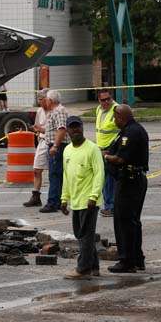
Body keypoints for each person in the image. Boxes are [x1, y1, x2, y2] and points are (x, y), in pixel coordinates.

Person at [103, 104, 150, 273]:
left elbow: (121, 159)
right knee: (132, 222)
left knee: (124, 222)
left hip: (130, 181)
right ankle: (137, 259)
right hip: (132, 180)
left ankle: (127, 261)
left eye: (115, 118)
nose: (114, 121)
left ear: (121, 117)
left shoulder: (131, 133)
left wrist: (107, 156)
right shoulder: (128, 130)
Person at [60, 116, 104, 280]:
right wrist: (64, 198)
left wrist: (94, 196)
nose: (76, 130)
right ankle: (94, 266)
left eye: (78, 126)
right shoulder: (67, 150)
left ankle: (83, 268)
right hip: (76, 201)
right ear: (68, 131)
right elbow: (66, 176)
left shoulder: (92, 149)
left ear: (83, 127)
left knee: (85, 235)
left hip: (89, 201)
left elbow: (100, 174)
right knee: (82, 234)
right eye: (72, 127)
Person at [40, 89, 69, 213]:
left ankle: (53, 203)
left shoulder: (59, 111)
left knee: (55, 175)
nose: (44, 101)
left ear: (50, 100)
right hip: (54, 145)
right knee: (57, 175)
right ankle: (57, 202)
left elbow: (61, 129)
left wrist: (55, 146)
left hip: (58, 147)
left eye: (45, 99)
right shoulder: (54, 111)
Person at [23, 89, 50, 207]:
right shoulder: (40, 111)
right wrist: (36, 130)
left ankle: (56, 197)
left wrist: (41, 129)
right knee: (37, 169)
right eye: (38, 99)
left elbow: (57, 130)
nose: (40, 102)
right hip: (42, 141)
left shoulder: (55, 111)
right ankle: (36, 196)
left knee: (55, 172)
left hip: (51, 141)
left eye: (41, 99)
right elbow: (37, 126)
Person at [95, 88, 119, 217]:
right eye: (103, 100)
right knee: (104, 179)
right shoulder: (99, 109)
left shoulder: (117, 110)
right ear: (99, 100)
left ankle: (111, 206)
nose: (106, 102)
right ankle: (109, 205)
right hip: (101, 148)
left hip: (111, 148)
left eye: (108, 99)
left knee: (110, 180)